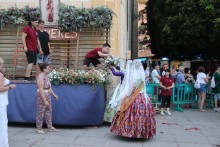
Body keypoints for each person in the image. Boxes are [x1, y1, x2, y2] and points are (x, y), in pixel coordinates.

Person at [110, 60, 156, 139]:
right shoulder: (142, 73)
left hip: (135, 96)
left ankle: (130, 131)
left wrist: (128, 95)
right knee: (143, 114)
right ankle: (142, 132)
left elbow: (133, 87)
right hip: (143, 96)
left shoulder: (134, 74)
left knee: (130, 112)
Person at [36, 63, 58, 134]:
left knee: (49, 111)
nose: (49, 69)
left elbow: (49, 87)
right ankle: (39, 128)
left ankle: (50, 126)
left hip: (48, 95)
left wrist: (54, 95)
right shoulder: (40, 77)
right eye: (48, 68)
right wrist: (44, 100)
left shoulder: (46, 76)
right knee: (41, 112)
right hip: (42, 95)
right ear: (44, 69)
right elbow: (41, 89)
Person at [0, 57, 16, 147]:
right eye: (2, 65)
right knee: (2, 124)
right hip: (1, 102)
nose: (3, 67)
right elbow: (1, 89)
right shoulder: (0, 75)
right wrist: (10, 87)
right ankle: (3, 144)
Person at [22, 17, 42, 81]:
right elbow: (23, 37)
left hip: (34, 49)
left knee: (35, 63)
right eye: (36, 22)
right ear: (32, 22)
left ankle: (35, 77)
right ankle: (26, 78)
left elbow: (37, 40)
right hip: (29, 48)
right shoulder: (27, 28)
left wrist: (40, 49)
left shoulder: (35, 30)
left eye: (37, 22)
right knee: (30, 62)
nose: (37, 23)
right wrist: (25, 46)